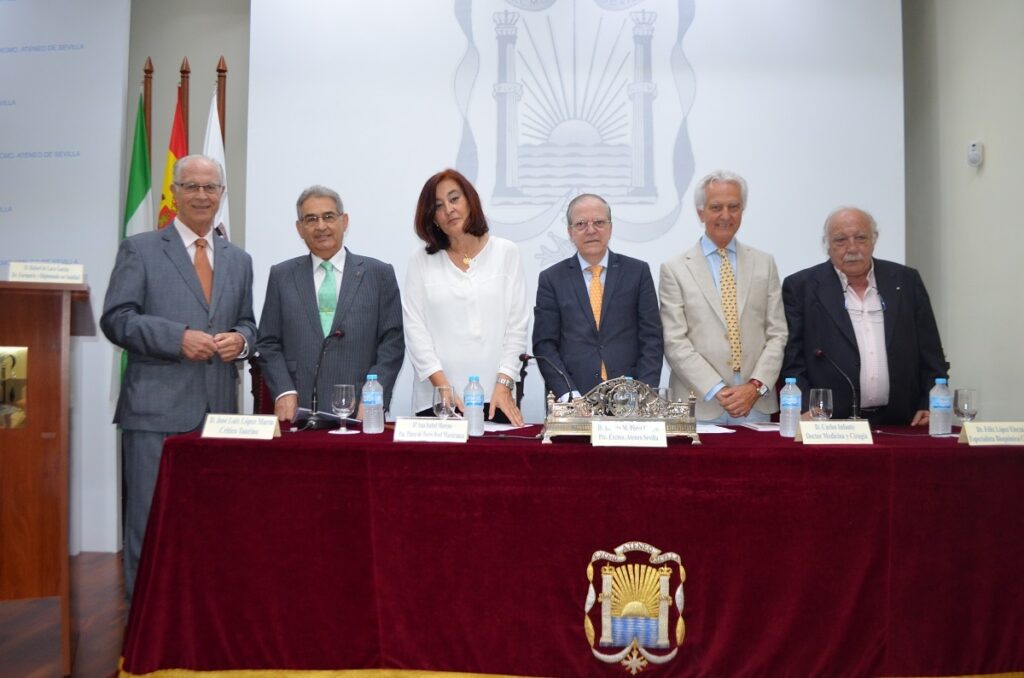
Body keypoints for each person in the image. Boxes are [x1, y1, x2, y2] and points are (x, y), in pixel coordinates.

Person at [101, 154, 256, 601]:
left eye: (211, 188)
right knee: (149, 524)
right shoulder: (141, 249)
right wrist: (177, 338)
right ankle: (144, 632)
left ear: (221, 195)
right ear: (174, 192)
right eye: (192, 186)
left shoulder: (238, 259)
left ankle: (198, 623)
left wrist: (240, 342)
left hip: (220, 417)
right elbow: (116, 319)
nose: (202, 195)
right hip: (154, 414)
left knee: (212, 524)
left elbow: (247, 322)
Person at [781, 206, 947, 425]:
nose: (852, 248)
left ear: (874, 240)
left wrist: (929, 402)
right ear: (827, 245)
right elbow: (793, 359)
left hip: (902, 420)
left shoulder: (906, 281)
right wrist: (803, 407)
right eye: (840, 240)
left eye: (861, 238)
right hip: (828, 421)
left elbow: (931, 350)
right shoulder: (801, 287)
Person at [256, 185, 404, 421]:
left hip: (360, 411)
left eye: (328, 217)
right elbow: (268, 342)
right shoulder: (281, 275)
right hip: (299, 412)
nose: (321, 226)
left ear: (344, 221)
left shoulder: (378, 274)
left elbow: (393, 342)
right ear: (300, 228)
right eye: (311, 219)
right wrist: (283, 389)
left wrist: (373, 396)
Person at [658, 170, 787, 423]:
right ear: (700, 212)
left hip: (754, 403)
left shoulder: (765, 264)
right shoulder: (674, 269)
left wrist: (755, 386)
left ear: (742, 210)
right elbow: (674, 341)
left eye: (734, 206)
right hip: (699, 402)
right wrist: (718, 389)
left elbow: (777, 333)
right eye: (716, 207)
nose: (726, 215)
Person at [403, 169, 528, 426]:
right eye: (438, 206)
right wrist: (443, 388)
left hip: (496, 398)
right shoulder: (421, 261)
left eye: (454, 199)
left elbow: (518, 327)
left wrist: (504, 384)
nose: (449, 209)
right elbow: (415, 330)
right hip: (438, 400)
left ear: (470, 201)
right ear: (433, 218)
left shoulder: (506, 253)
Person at [532, 193, 663, 398]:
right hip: (573, 399)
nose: (591, 230)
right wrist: (568, 394)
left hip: (629, 399)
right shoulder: (551, 279)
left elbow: (651, 339)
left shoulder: (637, 272)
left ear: (610, 227)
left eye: (599, 222)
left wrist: (642, 392)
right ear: (570, 232)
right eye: (581, 224)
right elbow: (544, 345)